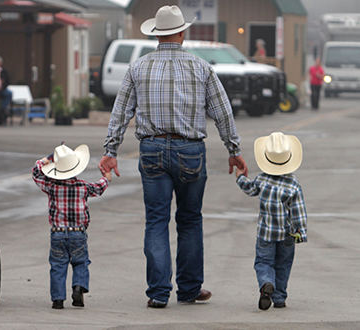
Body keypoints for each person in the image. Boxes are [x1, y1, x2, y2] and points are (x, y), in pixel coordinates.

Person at [98, 5, 247, 309]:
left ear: (156, 34)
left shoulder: (137, 67)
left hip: (151, 150)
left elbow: (120, 113)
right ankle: (190, 289)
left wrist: (110, 151)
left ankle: (158, 292)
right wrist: (234, 150)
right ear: (182, 32)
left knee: (156, 220)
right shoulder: (202, 68)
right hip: (190, 151)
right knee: (190, 220)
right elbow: (222, 112)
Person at [32, 143, 111, 310]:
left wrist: (45, 160)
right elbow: (99, 188)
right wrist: (107, 178)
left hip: (57, 233)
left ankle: (58, 299)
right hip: (78, 233)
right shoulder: (83, 186)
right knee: (80, 262)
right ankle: (78, 288)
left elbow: (36, 173)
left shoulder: (52, 186)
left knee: (58, 265)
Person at [235, 132, 307, 310]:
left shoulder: (262, 180)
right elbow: (299, 213)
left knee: (263, 262)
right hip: (287, 234)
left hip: (265, 233)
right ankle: (280, 298)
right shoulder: (294, 185)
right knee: (283, 265)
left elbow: (249, 188)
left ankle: (266, 283)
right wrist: (300, 234)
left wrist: (240, 177)